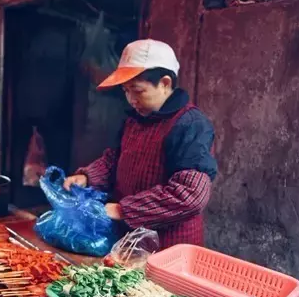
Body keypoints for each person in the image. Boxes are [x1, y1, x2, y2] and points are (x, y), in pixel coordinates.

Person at [64, 39, 217, 249]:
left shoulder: (191, 125)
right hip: (130, 242)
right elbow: (115, 160)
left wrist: (122, 210)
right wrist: (87, 177)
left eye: (137, 91)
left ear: (164, 83)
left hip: (169, 248)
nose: (131, 99)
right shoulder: (134, 120)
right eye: (126, 91)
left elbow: (190, 195)